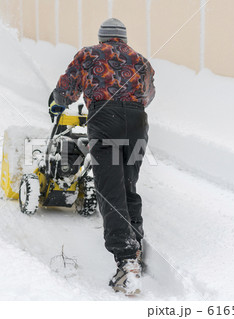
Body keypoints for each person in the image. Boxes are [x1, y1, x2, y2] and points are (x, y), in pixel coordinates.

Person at [50, 18, 155, 295]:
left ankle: (126, 262)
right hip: (137, 124)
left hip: (105, 120)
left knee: (110, 191)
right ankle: (136, 247)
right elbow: (148, 95)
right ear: (124, 38)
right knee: (127, 185)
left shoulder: (89, 54)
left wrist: (57, 103)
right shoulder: (140, 59)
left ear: (102, 38)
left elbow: (66, 89)